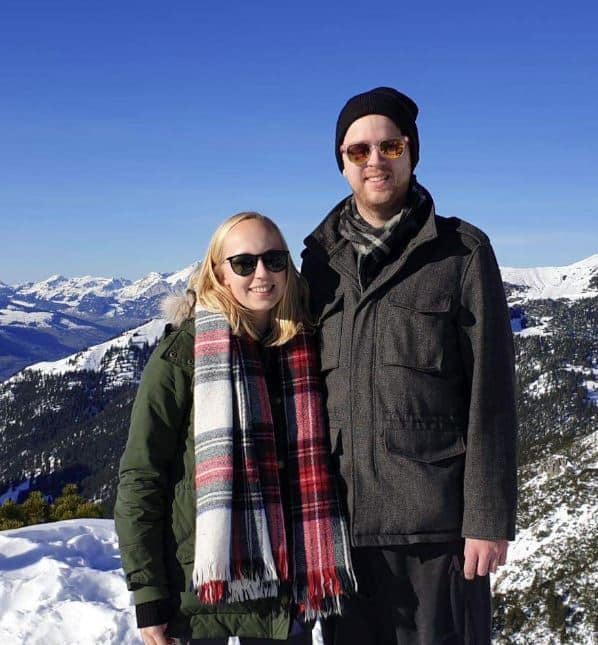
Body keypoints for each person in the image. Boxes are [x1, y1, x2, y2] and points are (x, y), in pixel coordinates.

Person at [301, 87, 518, 644]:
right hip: (342, 529)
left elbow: (491, 395)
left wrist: (487, 520)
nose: (375, 160)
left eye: (389, 145)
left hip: (437, 532)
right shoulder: (317, 264)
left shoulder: (461, 253)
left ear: (411, 154)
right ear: (342, 165)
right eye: (358, 151)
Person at [115, 212, 356, 645]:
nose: (261, 273)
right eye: (244, 263)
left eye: (274, 260)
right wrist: (148, 594)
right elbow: (141, 477)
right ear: (219, 273)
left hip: (287, 593)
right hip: (204, 592)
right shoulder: (183, 355)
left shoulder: (305, 348)